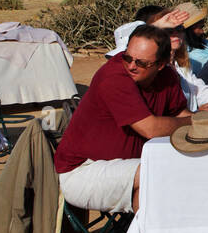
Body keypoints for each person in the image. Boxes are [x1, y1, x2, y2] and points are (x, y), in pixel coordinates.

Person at [54, 24, 192, 215]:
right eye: (128, 57)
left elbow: (180, 114)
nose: (131, 66)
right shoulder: (114, 76)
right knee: (156, 173)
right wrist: (195, 123)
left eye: (141, 63)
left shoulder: (167, 76)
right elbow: (150, 128)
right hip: (85, 170)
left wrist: (203, 118)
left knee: (185, 168)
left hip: (131, 163)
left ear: (160, 65)